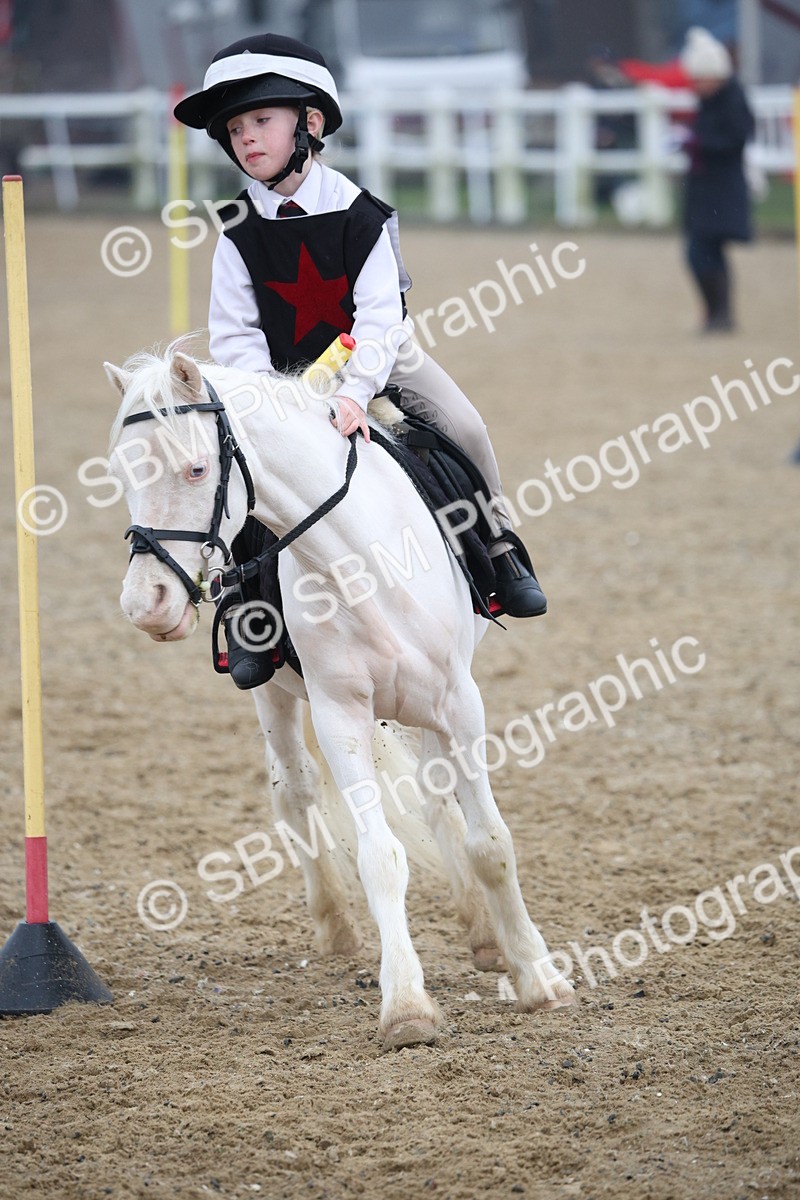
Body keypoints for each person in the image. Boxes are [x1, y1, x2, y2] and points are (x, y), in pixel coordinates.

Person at [174, 33, 548, 684]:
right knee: (240, 466)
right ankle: (245, 600)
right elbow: (235, 338)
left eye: (262, 120)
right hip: (280, 377)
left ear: (310, 124)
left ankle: (500, 545)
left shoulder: (364, 216)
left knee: (465, 426)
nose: (248, 138)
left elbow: (378, 320)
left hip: (382, 360)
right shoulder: (235, 230)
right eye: (236, 128)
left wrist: (351, 394)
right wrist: (280, 405)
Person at [677, 27, 754, 333]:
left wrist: (698, 143)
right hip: (706, 187)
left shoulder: (732, 99)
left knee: (704, 250)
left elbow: (736, 139)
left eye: (699, 79)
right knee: (701, 251)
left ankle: (720, 315)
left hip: (722, 188)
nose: (695, 86)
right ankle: (715, 314)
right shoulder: (712, 101)